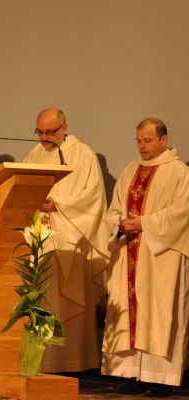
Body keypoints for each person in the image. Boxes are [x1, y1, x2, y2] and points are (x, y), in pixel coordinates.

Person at [102, 118, 189, 397]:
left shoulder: (179, 172)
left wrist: (144, 224)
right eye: (138, 140)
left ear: (164, 140)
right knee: (129, 313)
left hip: (160, 257)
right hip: (128, 250)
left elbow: (182, 213)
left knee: (159, 313)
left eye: (148, 140)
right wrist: (119, 223)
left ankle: (160, 377)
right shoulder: (130, 170)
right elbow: (114, 208)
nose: (142, 146)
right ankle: (130, 374)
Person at [22, 107, 109, 372]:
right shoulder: (35, 154)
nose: (44, 137)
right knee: (41, 298)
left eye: (50, 131)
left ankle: (71, 361)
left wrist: (58, 204)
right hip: (39, 235)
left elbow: (92, 196)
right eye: (40, 131)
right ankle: (41, 360)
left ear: (64, 127)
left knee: (66, 298)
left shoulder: (83, 153)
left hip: (68, 237)